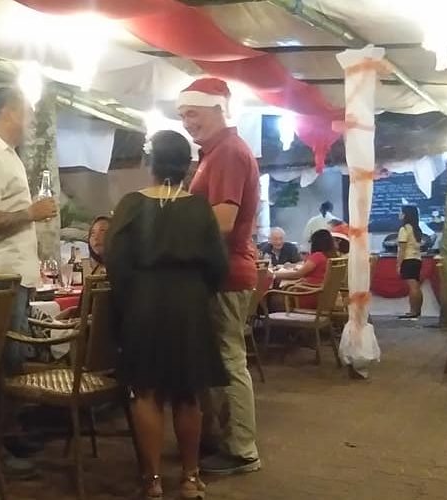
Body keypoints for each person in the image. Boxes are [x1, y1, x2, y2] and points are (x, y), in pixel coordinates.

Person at [107, 130, 228, 499]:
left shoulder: (130, 205)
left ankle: (153, 481)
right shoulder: (200, 208)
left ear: (151, 163)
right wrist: (195, 291)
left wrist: (129, 303)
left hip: (144, 304)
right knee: (188, 394)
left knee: (146, 392)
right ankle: (190, 478)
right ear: (187, 166)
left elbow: (115, 263)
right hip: (190, 304)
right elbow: (218, 266)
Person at [179, 77, 261, 474]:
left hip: (225, 271)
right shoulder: (216, 153)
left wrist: (171, 228)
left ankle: (241, 449)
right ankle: (225, 441)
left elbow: (223, 221)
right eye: (182, 115)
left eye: (193, 113)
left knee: (228, 360)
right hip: (221, 271)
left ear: (218, 109)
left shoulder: (227, 152)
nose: (187, 122)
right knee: (223, 359)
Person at [0, 87, 57, 370]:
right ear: (8, 112)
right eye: (27, 112)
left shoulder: (8, 155)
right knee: (4, 367)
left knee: (13, 362)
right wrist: (30, 213)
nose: (31, 120)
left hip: (12, 277)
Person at [272, 229, 337, 309]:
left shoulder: (318, 256)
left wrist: (274, 274)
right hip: (320, 294)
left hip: (309, 294)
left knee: (274, 299)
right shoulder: (329, 256)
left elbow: (298, 274)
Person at [398, 205, 424, 319]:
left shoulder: (404, 229)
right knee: (416, 286)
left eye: (401, 212)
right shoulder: (417, 229)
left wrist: (399, 264)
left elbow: (402, 249)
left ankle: (413, 311)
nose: (399, 214)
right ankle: (417, 311)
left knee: (413, 287)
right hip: (417, 260)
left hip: (408, 260)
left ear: (406, 215)